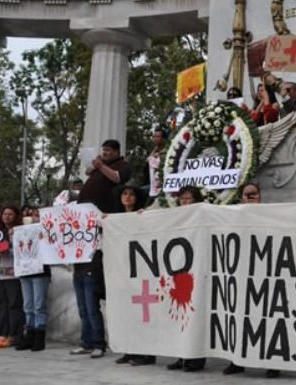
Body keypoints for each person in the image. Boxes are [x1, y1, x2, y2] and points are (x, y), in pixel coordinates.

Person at [71, 139, 130, 359]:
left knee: (91, 302)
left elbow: (117, 179)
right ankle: (86, 341)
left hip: (97, 234)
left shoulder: (120, 166)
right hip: (82, 237)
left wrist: (99, 165)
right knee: (82, 306)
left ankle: (98, 343)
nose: (104, 153)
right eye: (102, 150)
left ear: (116, 152)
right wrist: (92, 169)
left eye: (108, 150)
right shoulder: (97, 170)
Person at [223, 182, 280, 378]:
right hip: (240, 274)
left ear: (260, 195)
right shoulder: (233, 216)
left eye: (253, 194)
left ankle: (272, 362)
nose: (250, 198)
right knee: (238, 317)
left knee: (267, 319)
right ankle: (237, 360)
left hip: (266, 274)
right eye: (246, 195)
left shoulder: (272, 215)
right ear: (241, 198)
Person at [108, 185, 157, 366]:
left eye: (131, 194)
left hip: (141, 270)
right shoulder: (116, 218)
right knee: (126, 313)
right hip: (122, 272)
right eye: (124, 194)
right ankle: (130, 350)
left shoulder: (142, 216)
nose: (128, 198)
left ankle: (147, 353)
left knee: (143, 315)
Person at [165, 185, 207, 372]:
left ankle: (196, 359)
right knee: (180, 315)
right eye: (182, 199)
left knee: (195, 316)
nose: (186, 202)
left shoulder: (204, 215)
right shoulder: (174, 218)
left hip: (198, 272)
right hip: (179, 273)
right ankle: (181, 355)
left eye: (189, 198)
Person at [14, 206, 51, 352]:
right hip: (25, 271)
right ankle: (29, 334)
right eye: (28, 215)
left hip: (40, 272)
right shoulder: (21, 232)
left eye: (35, 215)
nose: (31, 217)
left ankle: (39, 336)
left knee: (39, 305)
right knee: (28, 305)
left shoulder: (45, 230)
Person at [0, 206, 24, 348]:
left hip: (13, 274)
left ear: (16, 216)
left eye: (10, 214)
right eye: (4, 214)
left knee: (14, 305)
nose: (7, 216)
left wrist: (8, 248)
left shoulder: (20, 232)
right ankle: (1, 334)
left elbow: (23, 251)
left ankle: (14, 335)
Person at [145, 127, 168, 199]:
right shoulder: (154, 150)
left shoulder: (168, 150)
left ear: (164, 138)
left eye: (158, 136)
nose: (155, 139)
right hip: (153, 183)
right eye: (154, 136)